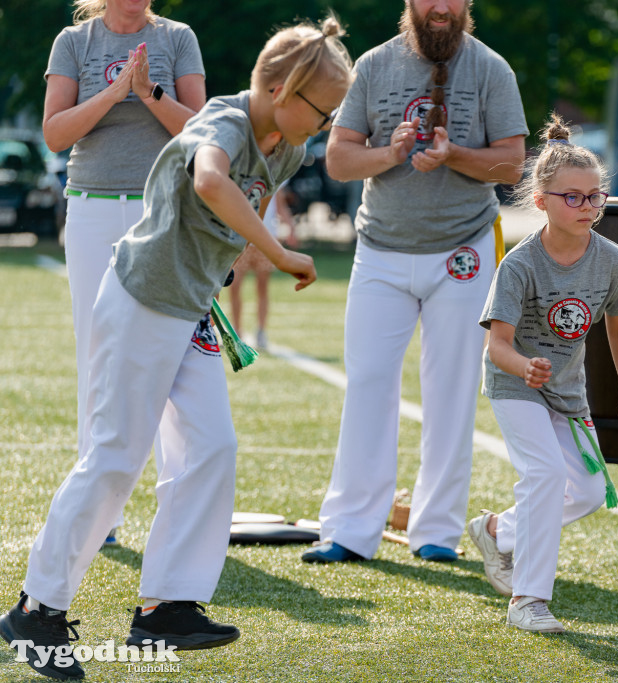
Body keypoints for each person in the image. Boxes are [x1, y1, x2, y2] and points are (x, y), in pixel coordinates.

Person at [0, 17, 353, 680]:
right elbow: (211, 183)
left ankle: (165, 604)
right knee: (114, 457)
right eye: (323, 110)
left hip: (187, 308)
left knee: (212, 448)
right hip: (139, 300)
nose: (328, 124)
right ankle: (35, 610)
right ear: (280, 88)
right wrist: (277, 251)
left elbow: (223, 221)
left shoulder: (289, 148)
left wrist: (227, 267)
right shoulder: (222, 123)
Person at [302, 0, 528, 565]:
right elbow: (339, 159)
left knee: (451, 392)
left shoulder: (492, 69)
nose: (441, 8)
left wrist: (455, 156)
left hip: (464, 250)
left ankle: (436, 532)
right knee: (368, 386)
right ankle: (351, 530)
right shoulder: (374, 65)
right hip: (381, 248)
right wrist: (391, 151)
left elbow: (513, 164)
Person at [467, 114, 618, 633]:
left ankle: (498, 530)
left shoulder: (612, 261)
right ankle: (528, 600)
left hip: (567, 394)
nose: (587, 206)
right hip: (514, 384)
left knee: (588, 492)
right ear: (542, 201)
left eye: (595, 197)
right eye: (573, 197)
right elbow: (497, 345)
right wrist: (527, 366)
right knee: (544, 475)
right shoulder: (520, 266)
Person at [44, 0, 207, 547]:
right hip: (89, 206)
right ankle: (100, 513)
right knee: (97, 351)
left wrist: (150, 92)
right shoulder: (74, 43)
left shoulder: (178, 38)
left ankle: (177, 505)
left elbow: (201, 130)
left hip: (160, 209)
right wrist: (115, 92)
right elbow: (55, 133)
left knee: (170, 351)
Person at [228, 185, 298, 350]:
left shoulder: (273, 175)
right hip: (241, 238)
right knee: (235, 284)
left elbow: (280, 205)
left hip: (265, 239)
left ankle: (261, 330)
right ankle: (236, 330)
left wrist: (290, 228)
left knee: (262, 286)